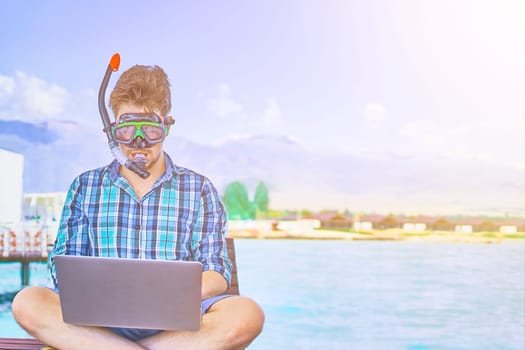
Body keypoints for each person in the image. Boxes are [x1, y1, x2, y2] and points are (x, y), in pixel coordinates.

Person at [12, 63, 265, 350]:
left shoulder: (200, 189)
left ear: (167, 126)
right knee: (27, 302)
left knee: (246, 315)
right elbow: (62, 268)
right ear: (111, 130)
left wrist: (162, 295)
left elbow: (217, 271)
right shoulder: (85, 187)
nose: (139, 141)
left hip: (176, 329)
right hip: (97, 326)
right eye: (127, 128)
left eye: (150, 128)